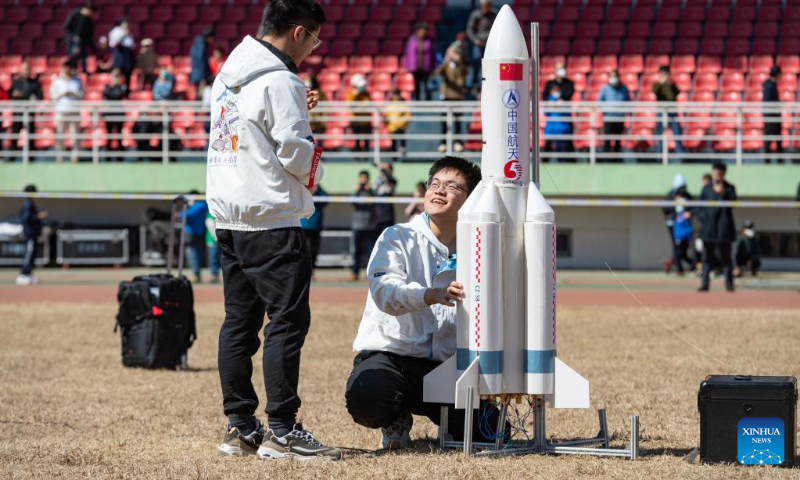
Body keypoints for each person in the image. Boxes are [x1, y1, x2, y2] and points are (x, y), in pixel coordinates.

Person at [207, 0, 340, 460]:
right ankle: (283, 429)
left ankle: (241, 427)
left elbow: (252, 130)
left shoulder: (227, 75)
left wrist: (296, 107)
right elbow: (295, 153)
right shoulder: (282, 80)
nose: (314, 49)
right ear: (299, 32)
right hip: (272, 217)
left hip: (229, 216)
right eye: (316, 40)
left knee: (239, 324)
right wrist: (316, 164)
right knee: (286, 322)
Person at [346, 156, 505, 449]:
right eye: (435, 183)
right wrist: (427, 295)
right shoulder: (397, 237)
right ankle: (395, 416)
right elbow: (385, 292)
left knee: (494, 433)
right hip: (393, 358)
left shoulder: (478, 247)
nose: (439, 190)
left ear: (470, 200)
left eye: (452, 186)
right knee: (369, 398)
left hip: (445, 366)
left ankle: (448, 420)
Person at [698, 162, 737, 292]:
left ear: (724, 173)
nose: (718, 174)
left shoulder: (730, 188)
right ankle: (704, 284)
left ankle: (729, 285)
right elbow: (700, 207)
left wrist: (723, 193)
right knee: (706, 259)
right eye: (716, 171)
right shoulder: (706, 188)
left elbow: (733, 202)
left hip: (724, 229)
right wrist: (703, 220)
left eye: (720, 172)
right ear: (713, 172)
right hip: (709, 229)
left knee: (726, 258)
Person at [49, 61, 85, 163]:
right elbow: (52, 95)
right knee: (60, 134)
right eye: (65, 68)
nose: (67, 70)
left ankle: (75, 157)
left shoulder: (77, 81)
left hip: (74, 110)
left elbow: (82, 94)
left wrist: (75, 94)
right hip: (61, 111)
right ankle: (60, 156)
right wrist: (62, 94)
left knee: (75, 135)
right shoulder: (56, 81)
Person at [434, 46, 468, 153]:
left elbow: (464, 74)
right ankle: (443, 143)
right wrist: (446, 60)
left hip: (457, 97)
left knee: (458, 121)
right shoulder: (446, 66)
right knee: (444, 121)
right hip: (446, 97)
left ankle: (458, 142)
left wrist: (460, 62)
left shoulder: (461, 67)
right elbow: (438, 72)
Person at [10, 61, 44, 158]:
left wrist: (35, 98)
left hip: (30, 113)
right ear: (20, 70)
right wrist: (14, 94)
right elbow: (10, 94)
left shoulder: (35, 83)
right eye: (24, 69)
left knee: (30, 135)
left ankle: (30, 157)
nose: (25, 71)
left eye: (27, 69)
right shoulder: (16, 82)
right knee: (15, 134)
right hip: (18, 113)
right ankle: (12, 157)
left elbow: (40, 96)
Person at [16, 185, 47, 286]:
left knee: (32, 253)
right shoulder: (27, 204)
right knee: (29, 253)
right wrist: (38, 216)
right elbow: (26, 218)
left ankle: (28, 274)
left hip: (33, 233)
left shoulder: (30, 203)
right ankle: (23, 275)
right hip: (29, 233)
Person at [542, 63, 575, 158]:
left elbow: (568, 95)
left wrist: (560, 101)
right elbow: (545, 97)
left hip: (565, 118)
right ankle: (545, 160)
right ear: (555, 70)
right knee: (548, 142)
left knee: (567, 142)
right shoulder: (550, 83)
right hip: (552, 120)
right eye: (559, 68)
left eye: (563, 68)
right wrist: (552, 103)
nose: (561, 70)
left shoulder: (569, 83)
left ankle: (570, 161)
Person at [662, 173, 692, 273]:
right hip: (674, 224)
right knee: (677, 245)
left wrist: (689, 211)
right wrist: (674, 205)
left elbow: (694, 206)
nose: (682, 190)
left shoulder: (687, 195)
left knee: (684, 246)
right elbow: (665, 208)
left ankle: (675, 263)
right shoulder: (670, 195)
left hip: (685, 225)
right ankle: (679, 267)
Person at [351, 170, 377, 282]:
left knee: (370, 251)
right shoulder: (356, 191)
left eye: (365, 177)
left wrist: (370, 190)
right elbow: (352, 202)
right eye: (362, 177)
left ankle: (369, 273)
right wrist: (357, 190)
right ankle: (355, 272)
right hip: (358, 225)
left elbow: (377, 202)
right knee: (357, 250)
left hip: (370, 225)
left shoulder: (371, 191)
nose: (363, 180)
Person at [597, 70, 631, 156]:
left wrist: (623, 110)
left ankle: (617, 158)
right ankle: (606, 158)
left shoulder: (624, 88)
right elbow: (599, 101)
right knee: (607, 139)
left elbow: (628, 101)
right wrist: (607, 109)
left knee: (618, 139)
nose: (614, 78)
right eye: (612, 76)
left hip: (619, 117)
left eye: (615, 76)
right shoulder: (605, 88)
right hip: (608, 118)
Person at [652, 66, 684, 156]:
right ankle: (659, 154)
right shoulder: (656, 84)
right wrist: (661, 83)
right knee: (659, 133)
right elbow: (655, 92)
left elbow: (677, 93)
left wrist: (670, 84)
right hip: (661, 111)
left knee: (677, 132)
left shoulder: (672, 84)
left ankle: (680, 154)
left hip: (672, 110)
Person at [466, 0, 496, 92]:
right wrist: (475, 39)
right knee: (477, 63)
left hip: (491, 43)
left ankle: (490, 82)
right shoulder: (476, 15)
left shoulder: (494, 14)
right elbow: (470, 29)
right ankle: (476, 84)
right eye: (486, 5)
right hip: (479, 43)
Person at [300, 184, 327, 278]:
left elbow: (326, 200)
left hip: (316, 226)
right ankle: (303, 271)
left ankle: (312, 271)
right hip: (304, 225)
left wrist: (318, 189)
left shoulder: (320, 192)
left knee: (314, 250)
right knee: (304, 250)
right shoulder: (303, 189)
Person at [403, 23, 436, 101]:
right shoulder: (412, 40)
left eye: (425, 31)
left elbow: (433, 53)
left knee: (427, 85)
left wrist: (434, 66)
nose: (423, 32)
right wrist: (408, 65)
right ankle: (418, 100)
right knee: (417, 85)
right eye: (422, 30)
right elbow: (408, 53)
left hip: (427, 66)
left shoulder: (430, 40)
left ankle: (428, 102)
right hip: (415, 67)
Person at [180, 192, 208, 284]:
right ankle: (197, 273)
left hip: (192, 233)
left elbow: (185, 215)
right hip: (198, 232)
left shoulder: (199, 205)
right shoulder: (202, 205)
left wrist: (187, 207)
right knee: (196, 253)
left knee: (193, 254)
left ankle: (196, 274)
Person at [102, 69, 129, 161]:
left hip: (119, 114)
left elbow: (122, 95)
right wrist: (112, 86)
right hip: (109, 114)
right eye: (114, 76)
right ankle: (108, 157)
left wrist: (117, 88)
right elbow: (107, 95)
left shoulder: (123, 87)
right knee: (109, 136)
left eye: (118, 76)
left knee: (119, 136)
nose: (116, 78)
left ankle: (120, 157)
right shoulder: (108, 87)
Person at [63, 2, 96, 73]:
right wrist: (73, 37)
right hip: (72, 41)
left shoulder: (89, 20)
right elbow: (67, 27)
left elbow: (89, 36)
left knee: (83, 58)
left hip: (82, 43)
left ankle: (84, 72)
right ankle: (72, 71)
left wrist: (93, 49)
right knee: (72, 57)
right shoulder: (74, 14)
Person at [543, 84, 572, 162]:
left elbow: (568, 113)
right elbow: (545, 112)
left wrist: (561, 106)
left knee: (562, 149)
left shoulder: (563, 102)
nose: (556, 93)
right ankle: (545, 162)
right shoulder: (548, 101)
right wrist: (550, 106)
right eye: (554, 91)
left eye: (557, 91)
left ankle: (562, 163)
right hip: (551, 128)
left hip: (561, 129)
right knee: (547, 147)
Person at [671, 192, 695, 276]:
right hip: (678, 238)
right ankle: (694, 265)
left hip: (682, 238)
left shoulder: (685, 215)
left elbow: (689, 229)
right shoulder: (678, 215)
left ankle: (680, 270)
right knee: (683, 255)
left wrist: (688, 239)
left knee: (678, 255)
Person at [346, 74, 371, 153]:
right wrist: (355, 95)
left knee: (367, 141)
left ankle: (366, 157)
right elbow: (351, 105)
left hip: (366, 121)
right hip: (355, 121)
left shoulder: (366, 94)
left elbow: (368, 104)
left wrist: (360, 107)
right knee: (357, 141)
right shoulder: (351, 94)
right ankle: (358, 158)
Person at [763, 65, 782, 164]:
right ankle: (767, 160)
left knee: (778, 139)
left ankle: (779, 159)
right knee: (769, 139)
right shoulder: (769, 85)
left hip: (775, 116)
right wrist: (778, 102)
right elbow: (767, 101)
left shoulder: (771, 84)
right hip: (771, 116)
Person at [108, 18, 136, 85]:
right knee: (117, 72)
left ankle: (126, 89)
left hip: (127, 56)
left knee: (127, 73)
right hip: (119, 55)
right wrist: (123, 35)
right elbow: (113, 44)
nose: (127, 25)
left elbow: (132, 45)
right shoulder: (116, 31)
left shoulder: (129, 32)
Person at [374, 160, 397, 234]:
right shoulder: (378, 180)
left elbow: (390, 180)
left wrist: (383, 169)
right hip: (377, 212)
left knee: (388, 234)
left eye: (387, 169)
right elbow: (374, 190)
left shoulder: (392, 180)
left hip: (387, 213)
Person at [384, 90, 410, 154]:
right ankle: (394, 157)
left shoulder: (403, 104)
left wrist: (401, 124)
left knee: (402, 142)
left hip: (400, 127)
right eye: (395, 95)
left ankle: (403, 155)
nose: (396, 97)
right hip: (392, 127)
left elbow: (407, 116)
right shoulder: (389, 105)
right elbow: (385, 116)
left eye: (397, 95)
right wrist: (388, 125)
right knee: (393, 143)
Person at [190, 28, 214, 95]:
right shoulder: (201, 44)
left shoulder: (197, 42)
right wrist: (205, 75)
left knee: (198, 93)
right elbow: (200, 59)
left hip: (196, 72)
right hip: (200, 74)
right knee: (200, 94)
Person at [205, 212, 221, 284]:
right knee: (213, 258)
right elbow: (210, 225)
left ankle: (218, 275)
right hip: (213, 241)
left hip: (220, 240)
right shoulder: (211, 213)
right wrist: (216, 238)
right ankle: (214, 275)